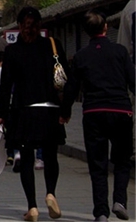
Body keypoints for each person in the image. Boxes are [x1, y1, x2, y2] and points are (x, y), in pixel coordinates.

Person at [61, 11, 134, 222]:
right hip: (120, 111)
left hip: (93, 112)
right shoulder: (120, 52)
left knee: (97, 164)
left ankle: (101, 212)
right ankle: (119, 201)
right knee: (122, 160)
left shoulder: (81, 56)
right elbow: (133, 80)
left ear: (86, 32)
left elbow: (71, 88)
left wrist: (65, 112)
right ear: (105, 28)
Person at [0, 6, 68, 222]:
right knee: (50, 155)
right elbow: (66, 79)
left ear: (19, 26)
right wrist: (65, 109)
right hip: (51, 111)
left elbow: (5, 86)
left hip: (25, 112)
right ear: (40, 25)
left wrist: (2, 114)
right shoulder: (53, 45)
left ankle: (32, 207)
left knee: (26, 158)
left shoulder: (12, 51)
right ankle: (51, 193)